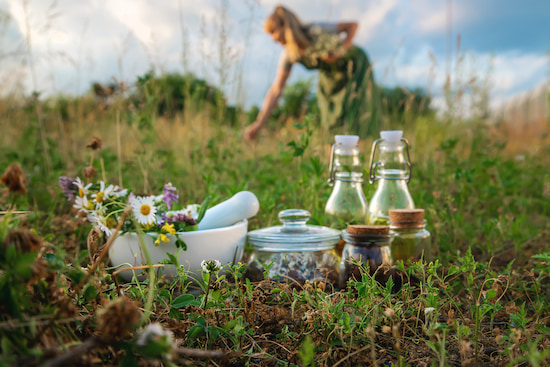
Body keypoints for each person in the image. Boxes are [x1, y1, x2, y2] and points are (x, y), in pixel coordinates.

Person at [244, 5, 379, 141]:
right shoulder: (289, 55)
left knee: (353, 114)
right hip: (330, 78)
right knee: (330, 118)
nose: (273, 39)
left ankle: (355, 155)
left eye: (274, 31)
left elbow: (352, 26)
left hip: (354, 67)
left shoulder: (315, 31)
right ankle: (332, 157)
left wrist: (341, 50)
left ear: (286, 26)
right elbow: (276, 90)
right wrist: (259, 124)